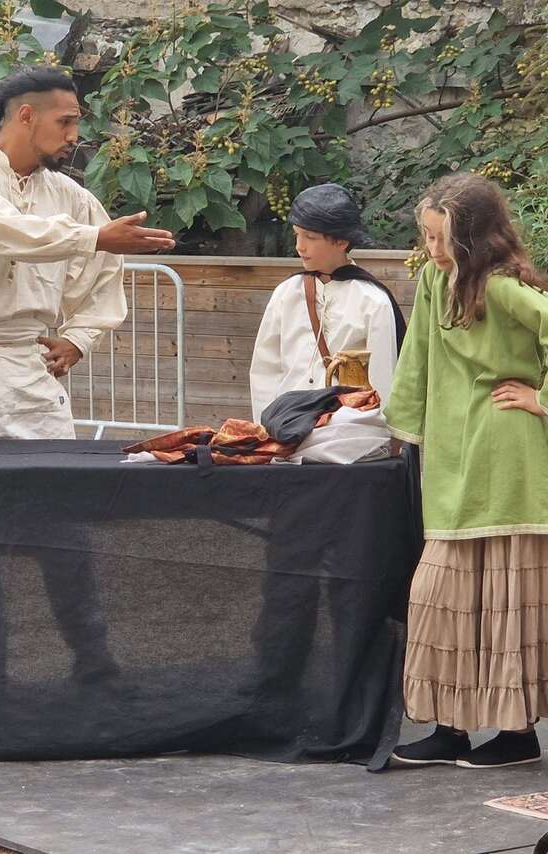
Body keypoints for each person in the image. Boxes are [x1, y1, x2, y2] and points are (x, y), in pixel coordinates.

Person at [0, 66, 175, 439]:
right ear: (26, 116)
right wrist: (93, 238)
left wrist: (79, 339)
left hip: (31, 371)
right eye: (65, 122)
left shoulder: (70, 197)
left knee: (53, 486)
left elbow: (102, 272)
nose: (74, 136)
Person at [386, 172, 548, 769]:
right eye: (425, 237)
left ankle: (517, 734)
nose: (429, 250)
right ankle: (449, 728)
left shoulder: (505, 288)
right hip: (453, 457)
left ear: (473, 239)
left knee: (502, 597)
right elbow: (418, 357)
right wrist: (399, 430)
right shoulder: (434, 278)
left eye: (439, 238)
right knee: (444, 595)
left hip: (507, 455)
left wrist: (540, 399)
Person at [249, 183, 405, 463]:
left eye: (310, 237)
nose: (299, 246)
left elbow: (384, 380)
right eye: (297, 235)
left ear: (341, 241)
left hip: (345, 441)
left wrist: (381, 441)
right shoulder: (287, 294)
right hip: (285, 437)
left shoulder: (373, 301)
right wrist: (269, 430)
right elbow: (265, 368)